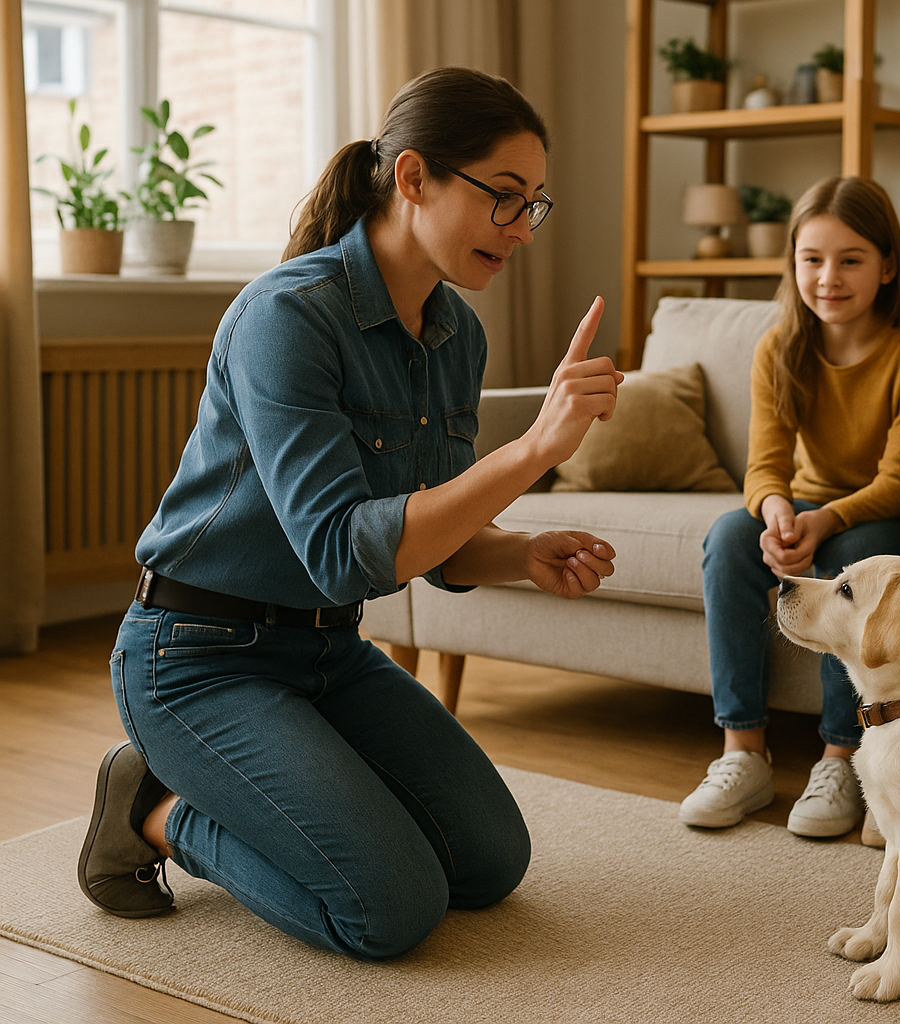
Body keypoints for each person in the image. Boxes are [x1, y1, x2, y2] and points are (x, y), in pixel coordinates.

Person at [76, 67, 626, 960]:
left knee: (489, 862)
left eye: (536, 205)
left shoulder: (457, 333)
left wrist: (518, 552)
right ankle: (154, 809)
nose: (523, 229)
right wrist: (533, 451)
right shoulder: (286, 316)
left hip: (328, 652)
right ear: (413, 179)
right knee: (390, 908)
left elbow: (432, 545)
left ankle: (274, 776)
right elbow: (341, 550)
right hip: (196, 661)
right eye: (504, 199)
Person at [679, 176, 900, 840]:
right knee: (727, 538)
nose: (829, 277)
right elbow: (766, 464)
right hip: (804, 502)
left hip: (882, 510)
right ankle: (743, 752)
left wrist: (825, 521)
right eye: (812, 258)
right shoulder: (781, 345)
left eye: (850, 259)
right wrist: (774, 512)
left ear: (888, 266)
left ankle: (839, 756)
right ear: (793, 262)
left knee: (855, 562)